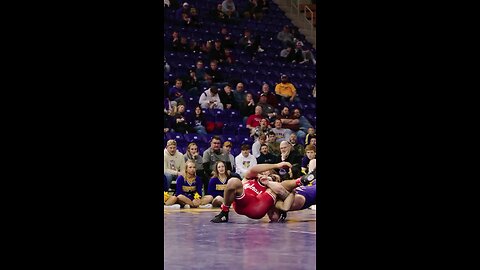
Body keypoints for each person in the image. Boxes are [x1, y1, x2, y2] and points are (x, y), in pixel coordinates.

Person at [210, 162, 317, 222]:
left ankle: (300, 181)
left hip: (257, 207)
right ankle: (224, 212)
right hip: (242, 201)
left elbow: (285, 207)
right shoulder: (250, 178)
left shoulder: (273, 190)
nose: (268, 176)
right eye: (267, 174)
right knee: (233, 181)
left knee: (278, 190)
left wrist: (271, 184)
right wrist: (277, 165)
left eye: (274, 177)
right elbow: (254, 170)